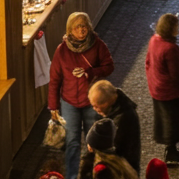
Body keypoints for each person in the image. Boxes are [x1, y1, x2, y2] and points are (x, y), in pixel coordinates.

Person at [49, 11, 115, 179]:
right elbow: (55, 79)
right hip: (69, 102)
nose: (81, 30)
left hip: (91, 102)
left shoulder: (97, 45)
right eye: (77, 27)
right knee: (72, 142)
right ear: (70, 30)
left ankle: (93, 174)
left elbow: (109, 66)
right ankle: (72, 176)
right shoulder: (61, 51)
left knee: (93, 142)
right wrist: (53, 106)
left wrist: (89, 72)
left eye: (84, 26)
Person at [145, 13, 179, 166]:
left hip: (158, 89)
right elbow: (176, 74)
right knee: (173, 123)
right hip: (170, 92)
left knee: (165, 121)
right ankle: (171, 153)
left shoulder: (154, 40)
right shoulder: (170, 48)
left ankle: (172, 150)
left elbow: (148, 62)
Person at [88, 81, 142, 177]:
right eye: (93, 105)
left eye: (97, 106)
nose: (95, 109)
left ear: (108, 102)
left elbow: (114, 147)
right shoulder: (109, 110)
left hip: (122, 168)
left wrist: (94, 147)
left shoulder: (124, 118)